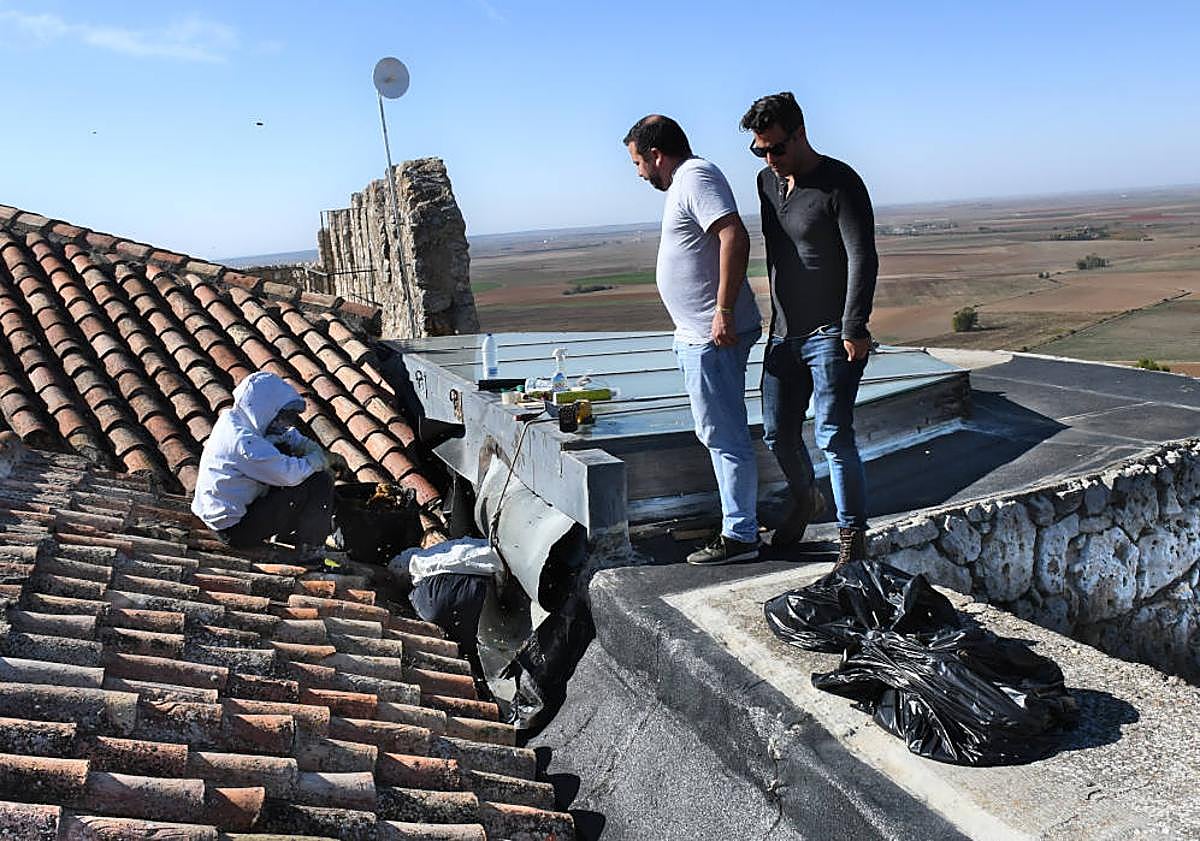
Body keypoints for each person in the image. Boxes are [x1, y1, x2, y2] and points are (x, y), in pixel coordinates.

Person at [740, 92, 878, 566]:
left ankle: (852, 541)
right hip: (784, 333)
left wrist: (854, 325)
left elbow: (863, 256)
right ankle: (805, 498)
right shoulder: (766, 183)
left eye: (776, 148)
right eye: (760, 150)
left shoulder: (840, 183)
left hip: (830, 334)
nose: (769, 159)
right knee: (778, 432)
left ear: (799, 133)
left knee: (834, 434)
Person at [623, 114, 763, 565]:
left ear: (657, 155)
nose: (640, 174)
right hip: (702, 334)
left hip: (713, 334)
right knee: (718, 432)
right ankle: (739, 528)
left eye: (638, 163)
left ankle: (740, 535)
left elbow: (733, 236)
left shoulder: (696, 176)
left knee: (724, 435)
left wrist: (722, 311)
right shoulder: (687, 180)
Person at [192, 371, 346, 550]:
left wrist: (311, 449)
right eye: (282, 416)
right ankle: (311, 551)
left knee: (290, 455)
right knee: (319, 481)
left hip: (220, 514)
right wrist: (322, 460)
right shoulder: (243, 442)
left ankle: (288, 537)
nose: (284, 423)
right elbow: (290, 474)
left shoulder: (235, 418)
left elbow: (288, 436)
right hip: (233, 530)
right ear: (265, 409)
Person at [395, 537, 505, 703]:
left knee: (464, 651)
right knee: (480, 647)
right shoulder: (465, 543)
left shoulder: (420, 555)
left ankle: (485, 698)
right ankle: (492, 696)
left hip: (434, 597)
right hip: (477, 586)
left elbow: (396, 569)